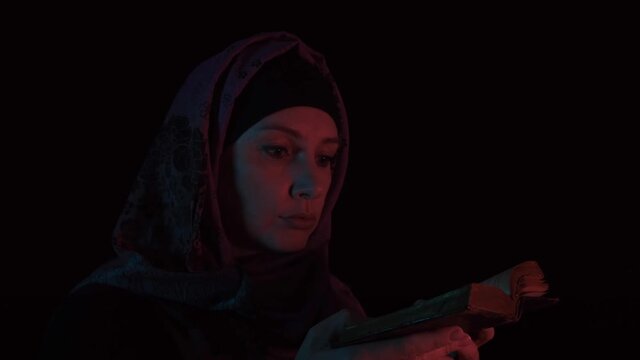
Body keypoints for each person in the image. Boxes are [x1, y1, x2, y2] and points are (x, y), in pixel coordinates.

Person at [41, 31, 493, 359]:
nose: (312, 186)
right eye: (278, 150)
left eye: (325, 158)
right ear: (208, 164)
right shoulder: (104, 320)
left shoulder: (333, 309)